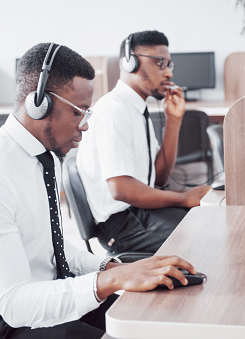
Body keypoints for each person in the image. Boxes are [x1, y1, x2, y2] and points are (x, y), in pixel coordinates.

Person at [0, 42, 198, 339]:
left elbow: (53, 250)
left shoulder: (43, 156)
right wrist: (110, 280)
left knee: (150, 323)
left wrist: (114, 267)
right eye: (80, 112)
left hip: (49, 294)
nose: (86, 125)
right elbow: (15, 304)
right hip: (5, 324)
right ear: (38, 104)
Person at [76, 30, 211, 254]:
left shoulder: (136, 108)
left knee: (208, 221)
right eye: (160, 63)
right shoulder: (114, 110)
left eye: (169, 65)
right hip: (123, 226)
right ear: (130, 62)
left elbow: (157, 178)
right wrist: (183, 198)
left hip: (139, 212)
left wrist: (174, 121)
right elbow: (121, 189)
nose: (168, 73)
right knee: (206, 240)